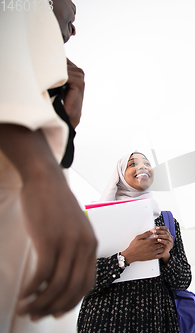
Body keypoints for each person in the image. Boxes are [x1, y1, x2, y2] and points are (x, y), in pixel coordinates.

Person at [0, 1, 97, 331]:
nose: (74, 27)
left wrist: (70, 119)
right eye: (71, 13)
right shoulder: (21, 7)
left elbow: (60, 155)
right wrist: (42, 174)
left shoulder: (59, 75)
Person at [77, 152, 192, 333]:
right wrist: (125, 257)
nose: (142, 167)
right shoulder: (94, 218)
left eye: (147, 163)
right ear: (120, 174)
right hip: (105, 319)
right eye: (133, 163)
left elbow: (183, 281)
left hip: (158, 320)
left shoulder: (167, 220)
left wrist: (166, 255)